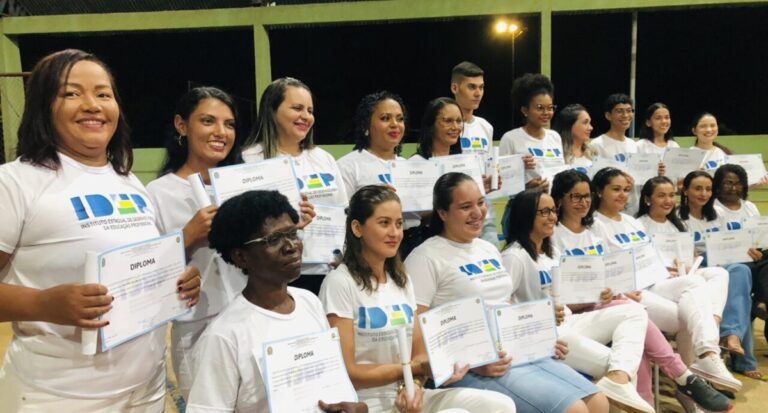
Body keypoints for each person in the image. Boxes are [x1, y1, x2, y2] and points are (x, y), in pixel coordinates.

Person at [0, 49, 200, 411]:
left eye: (103, 94)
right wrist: (44, 304)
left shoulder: (129, 184)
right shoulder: (15, 182)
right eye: (72, 93)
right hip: (59, 396)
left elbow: (140, 267)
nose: (92, 104)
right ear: (43, 107)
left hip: (145, 390)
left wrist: (178, 281)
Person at [406, 172, 609, 413]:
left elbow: (506, 305)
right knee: (574, 410)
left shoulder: (488, 249)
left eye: (481, 203)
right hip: (474, 368)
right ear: (442, 213)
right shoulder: (425, 257)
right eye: (465, 206)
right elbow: (416, 335)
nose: (477, 212)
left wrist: (539, 337)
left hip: (515, 352)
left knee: (598, 402)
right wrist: (472, 363)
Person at [319, 185, 517, 412]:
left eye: (399, 223)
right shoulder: (339, 283)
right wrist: (415, 369)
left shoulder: (401, 280)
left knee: (499, 405)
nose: (395, 233)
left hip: (410, 394)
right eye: (384, 223)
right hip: (367, 402)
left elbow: (418, 351)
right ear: (357, 228)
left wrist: (411, 383)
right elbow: (348, 371)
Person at [550, 170, 731, 411]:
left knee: (655, 316)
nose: (583, 202)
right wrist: (614, 292)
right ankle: (685, 376)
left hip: (611, 301)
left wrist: (613, 290)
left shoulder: (593, 232)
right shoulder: (554, 236)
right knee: (639, 316)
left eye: (586, 197)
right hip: (586, 309)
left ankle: (676, 383)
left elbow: (609, 272)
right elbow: (559, 289)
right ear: (560, 199)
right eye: (575, 197)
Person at [186, 190, 365, 413]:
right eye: (273, 239)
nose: (291, 246)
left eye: (293, 233)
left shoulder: (310, 302)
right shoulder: (225, 336)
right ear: (241, 256)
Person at [502, 188, 654, 413]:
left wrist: (597, 293)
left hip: (569, 322)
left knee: (634, 312)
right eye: (544, 212)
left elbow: (565, 297)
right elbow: (501, 307)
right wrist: (540, 313)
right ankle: (618, 381)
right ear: (525, 216)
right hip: (548, 336)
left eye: (553, 210)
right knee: (615, 363)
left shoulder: (549, 251)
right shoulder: (514, 257)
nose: (552, 217)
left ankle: (617, 380)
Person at [591, 168, 741, 393]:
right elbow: (603, 267)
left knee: (718, 275)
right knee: (694, 305)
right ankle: (705, 361)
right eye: (616, 189)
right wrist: (621, 289)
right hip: (634, 293)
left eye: (625, 190)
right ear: (600, 192)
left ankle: (707, 350)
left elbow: (648, 256)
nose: (622, 194)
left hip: (657, 281)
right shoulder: (594, 224)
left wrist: (669, 268)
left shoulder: (631, 222)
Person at [146, 86, 246, 401]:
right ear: (181, 125)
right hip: (196, 331)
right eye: (208, 121)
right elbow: (143, 271)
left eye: (229, 124)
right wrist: (187, 237)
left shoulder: (241, 185)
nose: (221, 132)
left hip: (248, 320)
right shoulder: (157, 193)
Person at [241, 77, 343, 294]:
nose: (306, 116)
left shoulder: (323, 158)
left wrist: (343, 255)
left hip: (327, 271)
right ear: (272, 110)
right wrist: (287, 225)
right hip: (272, 276)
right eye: (297, 108)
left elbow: (342, 209)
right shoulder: (249, 160)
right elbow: (242, 225)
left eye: (310, 110)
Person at [680, 170, 764, 380]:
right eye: (698, 188)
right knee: (737, 275)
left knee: (740, 271)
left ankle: (732, 336)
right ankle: (738, 347)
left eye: (707, 189)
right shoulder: (677, 217)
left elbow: (728, 245)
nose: (703, 193)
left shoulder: (716, 217)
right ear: (685, 190)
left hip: (720, 264)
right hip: (693, 268)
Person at [712, 164, 768, 347]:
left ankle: (761, 301)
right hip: (730, 262)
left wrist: (757, 249)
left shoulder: (750, 207)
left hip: (754, 258)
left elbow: (758, 237)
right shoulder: (712, 208)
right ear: (718, 185)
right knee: (749, 270)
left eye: (738, 183)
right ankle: (760, 302)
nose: (734, 187)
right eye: (728, 183)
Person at [450, 61, 500, 248]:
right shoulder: (445, 127)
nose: (478, 93)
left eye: (481, 87)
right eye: (471, 87)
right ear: (455, 87)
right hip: (458, 209)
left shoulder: (485, 127)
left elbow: (489, 166)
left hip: (485, 207)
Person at [499, 73, 563, 192]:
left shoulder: (555, 137)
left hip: (552, 206)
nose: (546, 113)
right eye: (539, 108)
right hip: (524, 205)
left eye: (550, 107)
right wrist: (527, 187)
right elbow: (502, 183)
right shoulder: (511, 138)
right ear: (525, 110)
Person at [338, 91, 407, 198]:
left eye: (400, 119)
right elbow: (342, 211)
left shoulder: (407, 166)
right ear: (365, 125)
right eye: (385, 118)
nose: (395, 124)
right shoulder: (347, 166)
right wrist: (373, 200)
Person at [590, 94, 637, 163]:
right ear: (608, 115)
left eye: (629, 111)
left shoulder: (632, 144)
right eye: (619, 111)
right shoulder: (597, 144)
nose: (625, 115)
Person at [552, 104, 595, 173]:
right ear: (569, 125)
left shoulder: (595, 151)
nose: (591, 128)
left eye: (590, 123)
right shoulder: (555, 153)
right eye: (585, 122)